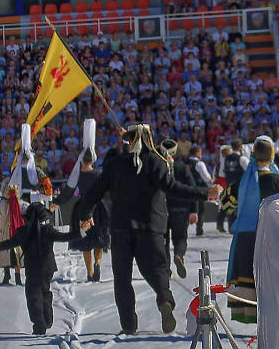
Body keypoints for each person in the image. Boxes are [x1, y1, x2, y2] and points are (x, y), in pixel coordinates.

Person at [74, 125, 214, 335]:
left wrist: (85, 215)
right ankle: (164, 299)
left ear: (128, 141)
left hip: (121, 228)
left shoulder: (115, 165)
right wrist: (205, 193)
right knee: (156, 269)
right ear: (150, 140)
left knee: (122, 279)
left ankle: (129, 325)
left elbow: (93, 194)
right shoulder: (156, 162)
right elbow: (174, 188)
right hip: (151, 227)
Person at [0, 193, 64, 336]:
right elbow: (66, 237)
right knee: (45, 291)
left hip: (32, 268)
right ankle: (47, 319)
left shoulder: (23, 232)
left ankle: (39, 324)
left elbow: (9, 244)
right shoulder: (48, 230)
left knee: (33, 295)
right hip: (48, 267)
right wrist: (81, 231)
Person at [227, 136, 279, 325]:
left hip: (246, 239)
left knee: (249, 278)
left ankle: (250, 314)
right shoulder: (276, 180)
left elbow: (227, 204)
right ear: (272, 154)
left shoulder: (243, 182)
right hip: (271, 239)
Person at [62, 146, 108, 283]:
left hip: (82, 207)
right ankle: (97, 263)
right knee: (99, 239)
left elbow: (69, 191)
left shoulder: (78, 175)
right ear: (92, 160)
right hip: (98, 207)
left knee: (85, 241)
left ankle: (89, 272)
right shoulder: (99, 173)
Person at [167, 139, 211, 278]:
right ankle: (179, 255)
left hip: (163, 210)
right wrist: (194, 210)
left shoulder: (159, 168)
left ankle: (166, 270)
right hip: (181, 209)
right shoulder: (183, 168)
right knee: (180, 239)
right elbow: (192, 189)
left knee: (163, 241)